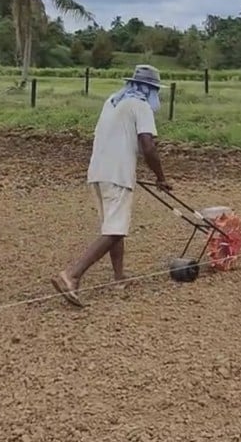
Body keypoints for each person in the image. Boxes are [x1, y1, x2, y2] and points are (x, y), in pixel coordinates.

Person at [51, 64, 171, 307]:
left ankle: (119, 278)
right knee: (115, 230)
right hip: (117, 175)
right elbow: (148, 146)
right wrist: (161, 177)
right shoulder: (141, 106)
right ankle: (72, 275)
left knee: (113, 226)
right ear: (150, 89)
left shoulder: (112, 101)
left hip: (97, 171)